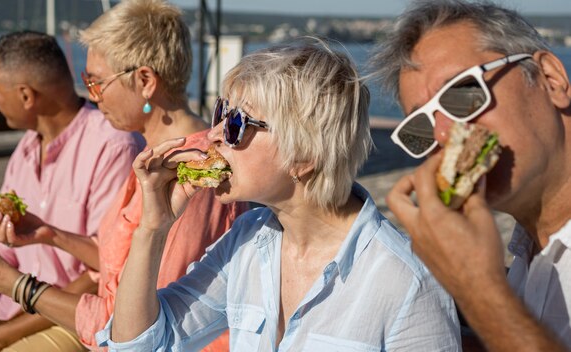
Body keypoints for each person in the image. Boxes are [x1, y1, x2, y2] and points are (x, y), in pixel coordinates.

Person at [97, 38, 462, 351]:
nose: (213, 135)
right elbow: (141, 344)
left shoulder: (405, 282)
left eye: (237, 123)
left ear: (303, 156)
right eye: (221, 114)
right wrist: (153, 229)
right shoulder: (247, 240)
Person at [0, 1, 244, 351]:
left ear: (145, 80)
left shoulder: (189, 175)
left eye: (97, 82)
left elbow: (136, 326)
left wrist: (3, 278)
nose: (91, 95)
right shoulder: (161, 158)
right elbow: (119, 260)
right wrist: (50, 235)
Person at [366, 0, 571, 351]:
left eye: (463, 94)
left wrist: (478, 291)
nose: (444, 135)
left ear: (551, 79)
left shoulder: (490, 278)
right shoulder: (527, 255)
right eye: (422, 126)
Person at [0, 31, 141, 351]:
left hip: (69, 318)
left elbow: (102, 272)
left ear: (26, 96)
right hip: (7, 303)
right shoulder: (25, 149)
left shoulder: (112, 147)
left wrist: (1, 337)